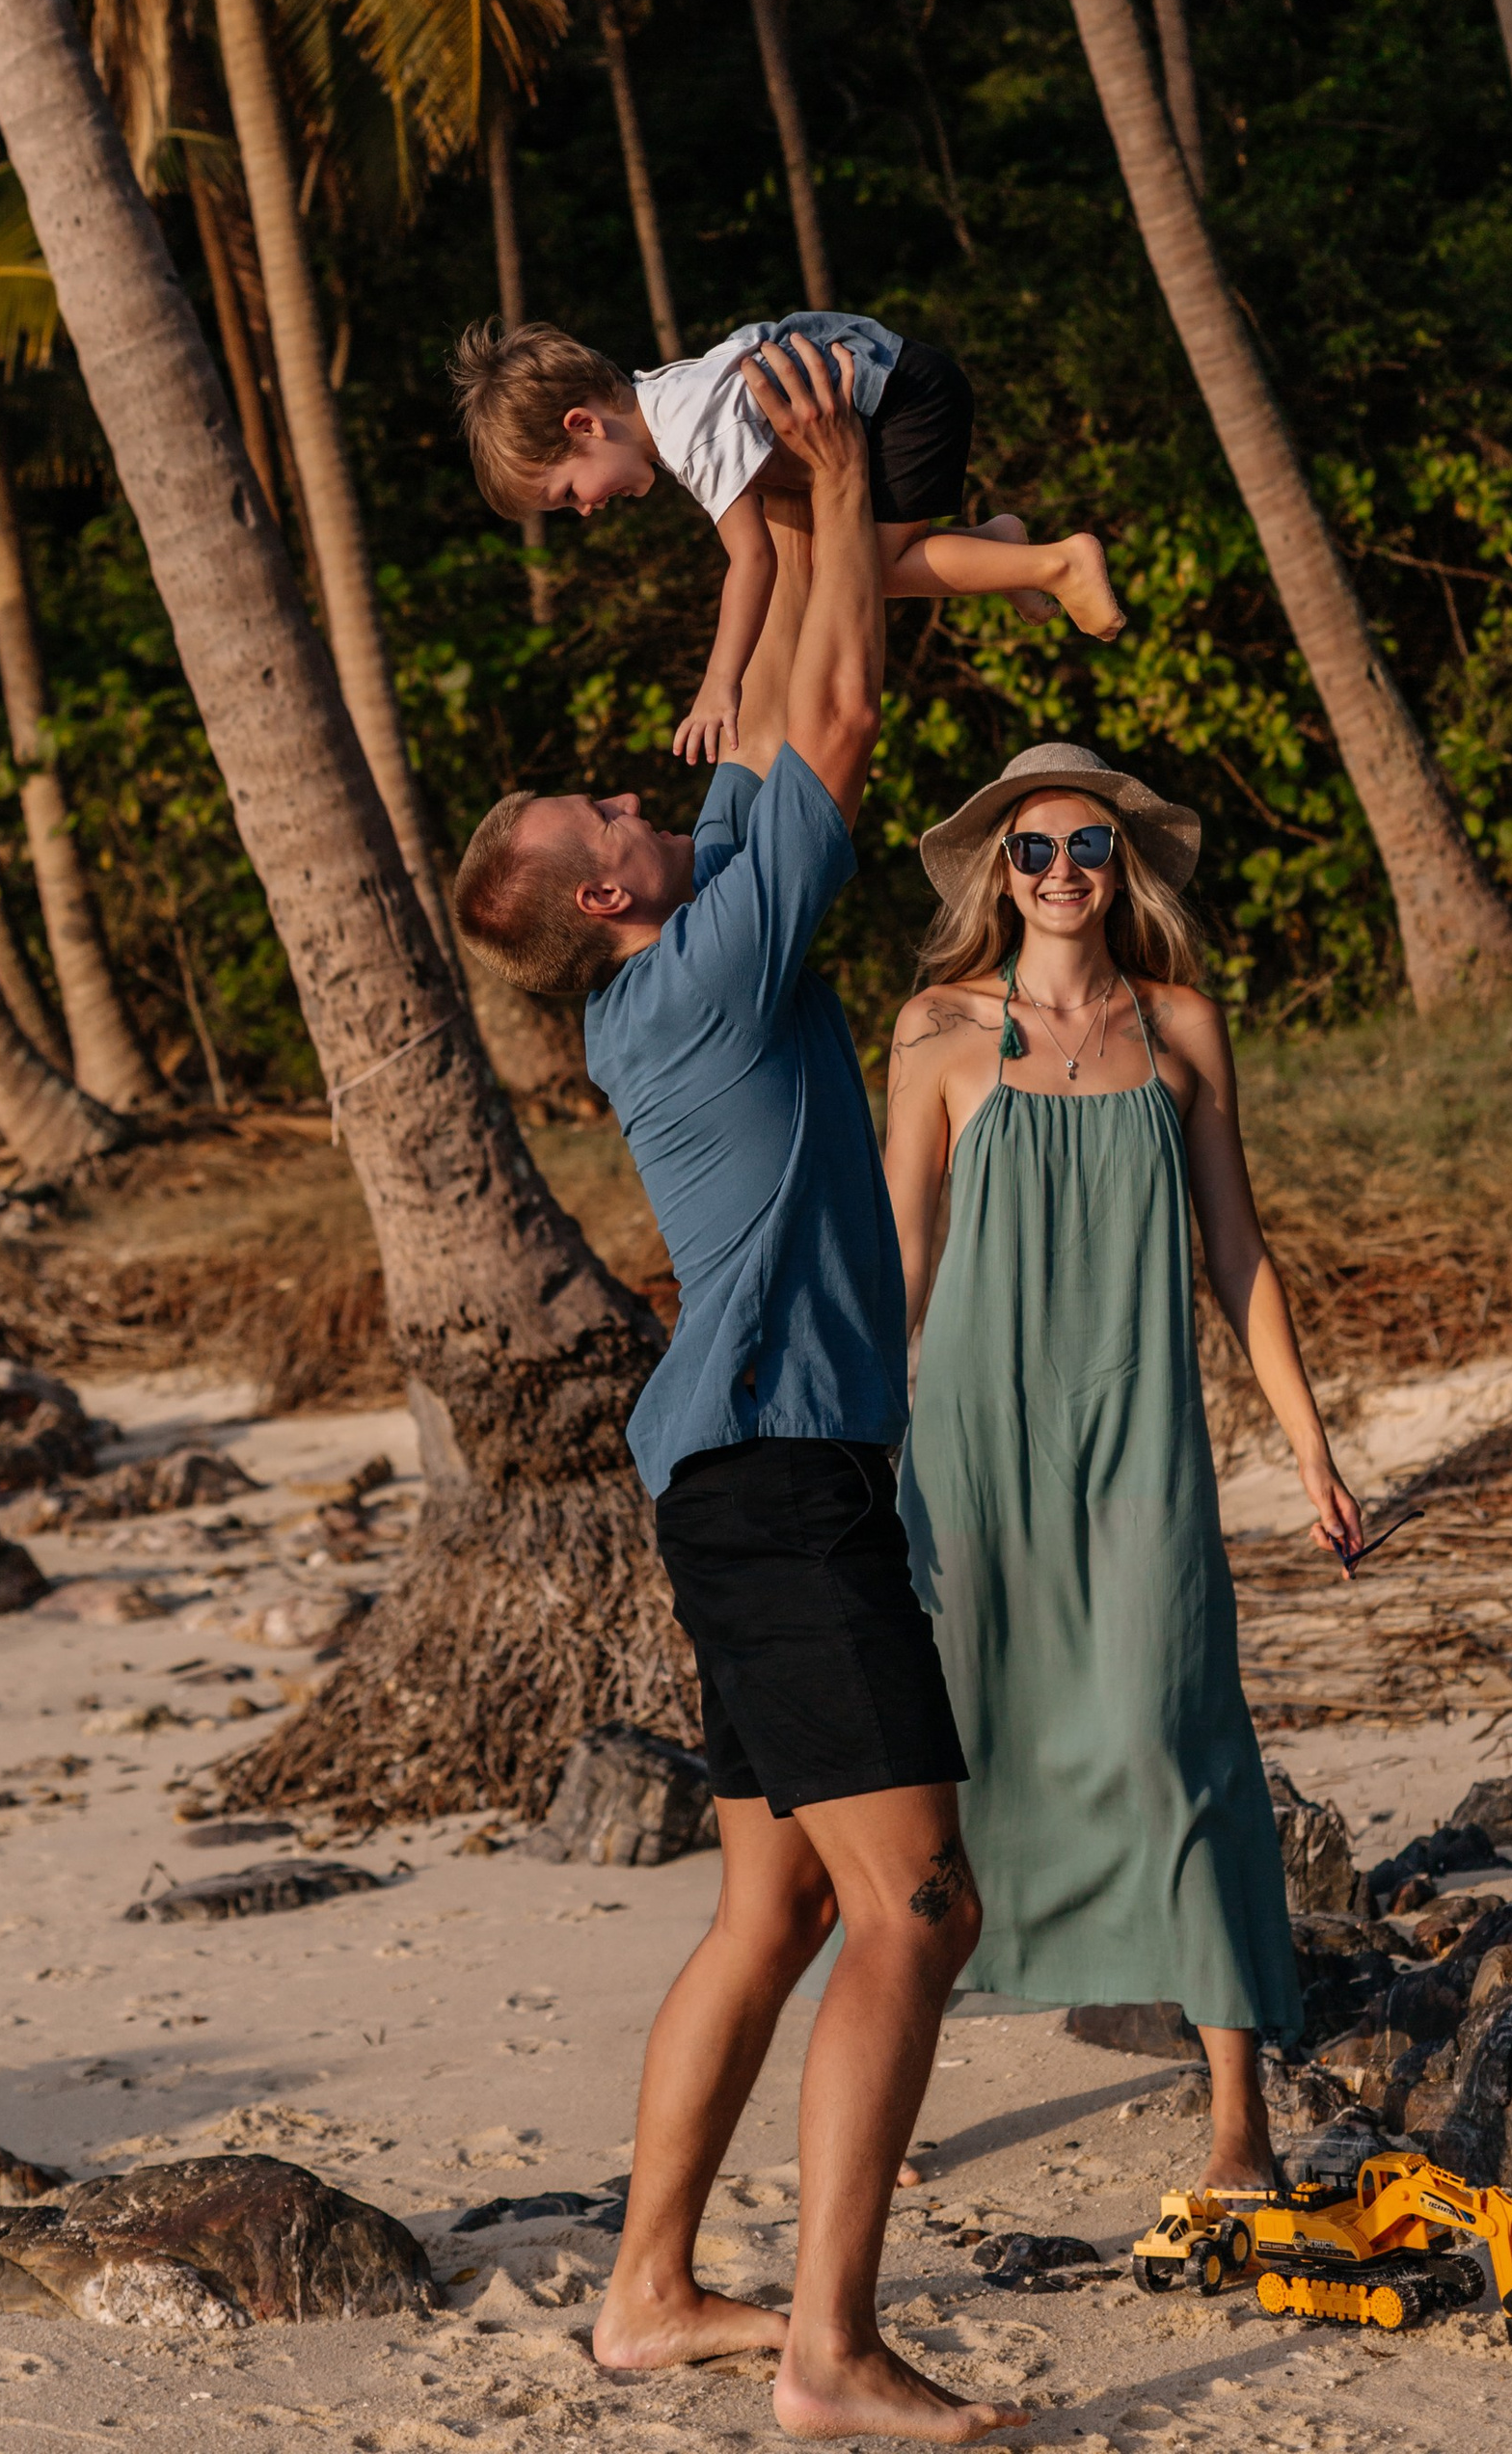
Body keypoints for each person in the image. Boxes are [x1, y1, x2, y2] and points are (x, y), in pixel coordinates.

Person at [453, 335, 1024, 2445]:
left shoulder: (669, 961)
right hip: (777, 1487)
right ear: (602, 898)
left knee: (775, 1892)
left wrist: (783, 522)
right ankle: (826, 2351)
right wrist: (845, 472)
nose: (639, 793)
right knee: (913, 1905)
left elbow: (779, 695)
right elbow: (846, 715)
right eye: (606, 810)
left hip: (738, 1477)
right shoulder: (699, 965)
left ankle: (639, 2294)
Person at [881, 742, 1365, 2195]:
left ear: (1123, 862)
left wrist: (1312, 1445)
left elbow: (1240, 1252)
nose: (1061, 872)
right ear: (997, 872)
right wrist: (850, 1439)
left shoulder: (1184, 1030)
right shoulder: (934, 1031)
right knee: (949, 1765)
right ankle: (885, 2097)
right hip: (972, 1445)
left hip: (1144, 1438)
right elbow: (901, 1255)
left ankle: (1239, 2125)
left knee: (1178, 1741)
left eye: (1087, 845)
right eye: (1031, 851)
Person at [449, 310, 1125, 765]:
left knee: (873, 572)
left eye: (570, 495)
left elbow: (753, 561)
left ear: (583, 425)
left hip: (903, 400)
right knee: (854, 558)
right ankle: (999, 547)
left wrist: (720, 685)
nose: (587, 512)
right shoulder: (664, 394)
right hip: (902, 382)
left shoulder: (690, 432)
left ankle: (1058, 564)